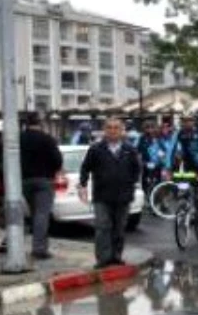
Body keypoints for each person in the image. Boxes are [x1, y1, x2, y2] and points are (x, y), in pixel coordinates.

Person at [78, 118, 142, 269]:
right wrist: (83, 183)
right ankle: (103, 258)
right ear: (104, 130)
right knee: (102, 227)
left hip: (123, 196)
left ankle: (116, 256)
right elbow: (85, 168)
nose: (113, 131)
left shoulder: (129, 149)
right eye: (109, 128)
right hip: (102, 195)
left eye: (116, 128)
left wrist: (130, 183)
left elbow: (137, 169)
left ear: (122, 131)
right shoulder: (95, 149)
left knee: (119, 228)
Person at [20, 112, 63, 260]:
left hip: (23, 180)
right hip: (44, 180)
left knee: (33, 213)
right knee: (42, 214)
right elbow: (57, 160)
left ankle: (28, 243)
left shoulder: (19, 138)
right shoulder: (47, 139)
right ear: (40, 123)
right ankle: (39, 249)